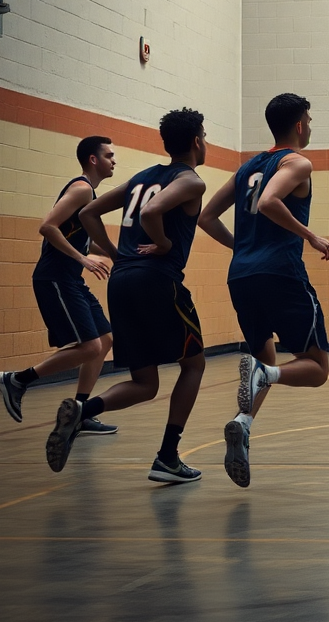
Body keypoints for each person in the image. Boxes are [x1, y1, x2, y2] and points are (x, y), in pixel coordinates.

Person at [46, 110, 208, 482]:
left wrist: (117, 253)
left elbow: (88, 212)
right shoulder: (191, 181)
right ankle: (168, 457)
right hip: (158, 281)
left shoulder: (143, 176)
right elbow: (153, 211)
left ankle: (83, 411)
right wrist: (164, 242)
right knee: (194, 365)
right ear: (197, 141)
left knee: (145, 383)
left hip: (122, 282)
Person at [198, 93, 329, 488]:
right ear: (298, 125)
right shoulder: (297, 161)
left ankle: (242, 424)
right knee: (316, 369)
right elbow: (270, 200)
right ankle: (264, 374)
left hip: (241, 276)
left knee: (264, 354)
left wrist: (242, 250)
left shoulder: (246, 167)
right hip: (281, 272)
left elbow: (206, 216)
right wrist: (310, 235)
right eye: (309, 119)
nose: (310, 126)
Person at [0, 137, 119, 435]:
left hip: (70, 279)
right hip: (55, 278)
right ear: (93, 159)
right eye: (109, 155)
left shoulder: (90, 196)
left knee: (104, 341)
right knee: (89, 347)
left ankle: (79, 411)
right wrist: (83, 259)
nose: (114, 160)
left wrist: (121, 256)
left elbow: (82, 239)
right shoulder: (81, 189)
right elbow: (47, 226)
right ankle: (18, 379)